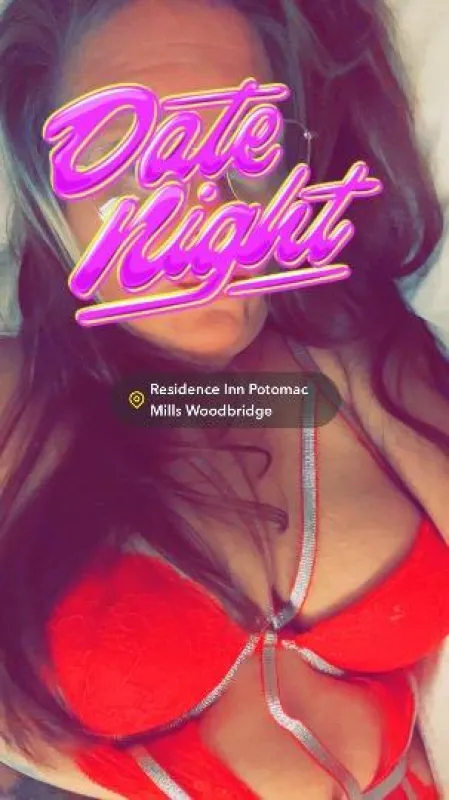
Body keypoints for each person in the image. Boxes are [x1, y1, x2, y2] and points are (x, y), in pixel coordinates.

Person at [0, 0, 448, 797]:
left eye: (243, 150)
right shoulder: (17, 404)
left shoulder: (355, 356)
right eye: (125, 166)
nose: (200, 217)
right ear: (49, 199)